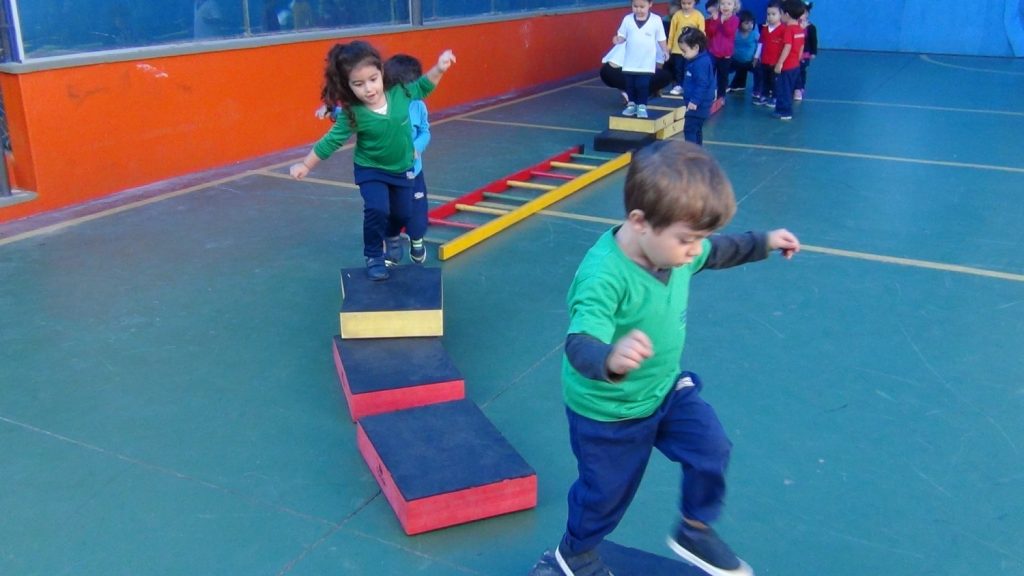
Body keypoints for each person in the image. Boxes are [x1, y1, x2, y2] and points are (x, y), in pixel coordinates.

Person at [551, 140, 800, 576]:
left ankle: (694, 527)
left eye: (697, 239)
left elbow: (717, 251)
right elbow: (579, 342)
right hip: (609, 413)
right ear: (640, 221)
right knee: (605, 495)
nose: (693, 250)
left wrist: (763, 242)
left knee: (712, 447)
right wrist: (610, 358)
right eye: (687, 240)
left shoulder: (676, 248)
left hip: (664, 389)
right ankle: (575, 552)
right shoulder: (603, 275)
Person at [290, 42, 456, 280]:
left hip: (402, 169)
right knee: (377, 208)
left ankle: (391, 235)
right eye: (358, 84)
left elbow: (424, 86)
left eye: (373, 79)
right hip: (371, 170)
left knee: (402, 214)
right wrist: (306, 165)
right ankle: (374, 256)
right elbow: (331, 141)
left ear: (381, 73)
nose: (368, 89)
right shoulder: (353, 113)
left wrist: (439, 68)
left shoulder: (400, 93)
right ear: (348, 86)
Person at [383, 54, 431, 264]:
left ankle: (417, 239)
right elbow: (354, 114)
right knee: (389, 211)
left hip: (413, 171)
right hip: (387, 171)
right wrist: (332, 111)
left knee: (417, 212)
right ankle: (392, 247)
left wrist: (417, 147)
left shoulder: (418, 106)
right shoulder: (382, 105)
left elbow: (425, 132)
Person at [613, 0, 668, 119]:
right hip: (629, 61)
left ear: (650, 4)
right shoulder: (627, 19)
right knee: (630, 85)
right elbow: (622, 35)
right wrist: (618, 39)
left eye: (642, 7)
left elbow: (661, 38)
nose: (639, 10)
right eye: (635, 6)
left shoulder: (656, 20)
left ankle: (642, 106)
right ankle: (631, 104)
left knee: (642, 85)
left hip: (646, 62)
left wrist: (665, 50)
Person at [679, 29, 715, 145]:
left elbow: (702, 83)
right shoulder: (697, 60)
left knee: (690, 130)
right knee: (696, 130)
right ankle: (697, 152)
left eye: (684, 51)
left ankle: (692, 155)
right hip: (699, 104)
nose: (682, 54)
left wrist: (695, 101)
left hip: (698, 105)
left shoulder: (700, 63)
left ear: (695, 47)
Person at [772, 0, 806, 120]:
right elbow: (801, 46)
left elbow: (787, 46)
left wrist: (780, 63)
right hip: (795, 65)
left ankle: (785, 111)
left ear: (786, 14)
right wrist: (797, 59)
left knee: (783, 89)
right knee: (788, 88)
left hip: (786, 66)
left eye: (780, 13)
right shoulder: (800, 29)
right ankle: (782, 109)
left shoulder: (788, 30)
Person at [666, 0, 706, 95]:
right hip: (677, 49)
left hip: (691, 50)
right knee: (678, 68)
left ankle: (689, 86)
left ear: (695, 3)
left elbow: (701, 33)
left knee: (689, 68)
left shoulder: (698, 16)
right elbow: (672, 32)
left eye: (689, 3)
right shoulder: (677, 15)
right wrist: (669, 46)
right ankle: (679, 85)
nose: (686, 6)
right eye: (683, 3)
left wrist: (699, 48)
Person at [704, 0, 739, 100]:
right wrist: (715, 20)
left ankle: (721, 96)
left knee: (722, 77)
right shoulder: (715, 17)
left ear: (734, 6)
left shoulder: (735, 19)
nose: (725, 6)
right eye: (722, 4)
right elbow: (710, 32)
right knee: (710, 74)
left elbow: (729, 32)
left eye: (729, 4)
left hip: (725, 55)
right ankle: (708, 95)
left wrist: (723, 21)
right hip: (713, 52)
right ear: (719, 5)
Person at [752, 1, 783, 106]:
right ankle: (763, 96)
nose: (770, 17)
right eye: (768, 14)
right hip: (764, 61)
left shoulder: (783, 30)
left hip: (775, 62)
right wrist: (756, 58)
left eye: (774, 14)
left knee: (775, 81)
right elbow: (760, 44)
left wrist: (781, 62)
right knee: (764, 80)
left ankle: (775, 98)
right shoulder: (765, 29)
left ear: (781, 15)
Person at [726, 10, 758, 93]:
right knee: (723, 67)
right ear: (739, 24)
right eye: (746, 23)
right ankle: (733, 85)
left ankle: (759, 89)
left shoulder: (754, 34)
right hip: (735, 60)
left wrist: (756, 58)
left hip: (751, 62)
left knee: (760, 71)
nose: (750, 26)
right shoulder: (735, 32)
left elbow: (760, 45)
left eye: (751, 23)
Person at [794, 2, 817, 100]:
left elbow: (814, 40)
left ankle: (800, 88)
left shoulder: (811, 27)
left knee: (801, 71)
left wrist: (813, 52)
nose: (801, 15)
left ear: (807, 14)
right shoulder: (794, 25)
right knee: (794, 71)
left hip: (805, 54)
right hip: (794, 53)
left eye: (804, 13)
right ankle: (794, 87)